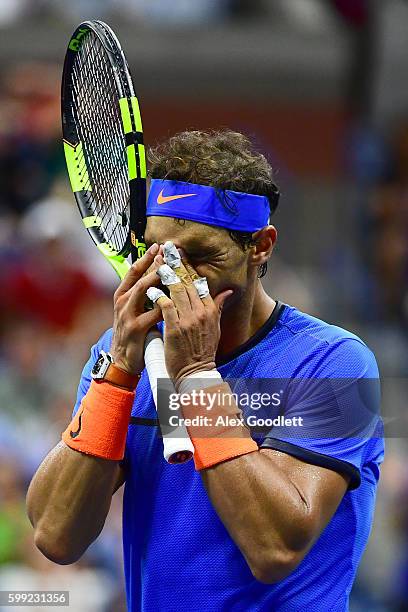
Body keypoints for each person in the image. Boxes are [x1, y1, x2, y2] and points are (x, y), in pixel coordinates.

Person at [27, 130, 384, 611]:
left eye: (198, 256)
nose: (174, 276)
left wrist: (195, 373)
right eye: (159, 252)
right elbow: (56, 534)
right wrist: (118, 375)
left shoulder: (334, 362)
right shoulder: (122, 355)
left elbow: (274, 548)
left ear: (260, 246)